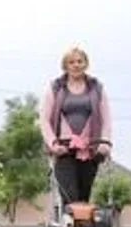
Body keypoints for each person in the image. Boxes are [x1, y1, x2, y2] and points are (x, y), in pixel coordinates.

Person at [38, 47, 115, 209]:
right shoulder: (56, 87)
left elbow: (106, 118)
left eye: (80, 61)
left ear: (86, 64)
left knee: (83, 196)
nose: (76, 65)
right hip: (64, 150)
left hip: (90, 150)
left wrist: (105, 142)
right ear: (65, 65)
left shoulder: (96, 88)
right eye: (71, 62)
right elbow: (44, 119)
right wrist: (53, 144)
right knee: (69, 196)